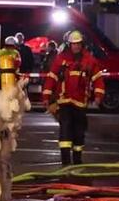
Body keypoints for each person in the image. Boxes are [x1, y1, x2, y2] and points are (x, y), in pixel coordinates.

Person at [41, 31, 105, 165]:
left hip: (81, 102)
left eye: (78, 44)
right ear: (68, 44)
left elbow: (98, 79)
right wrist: (46, 96)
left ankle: (77, 159)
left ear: (82, 44)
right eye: (73, 44)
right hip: (64, 101)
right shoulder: (61, 59)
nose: (76, 47)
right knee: (65, 130)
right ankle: (65, 160)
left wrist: (99, 96)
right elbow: (51, 78)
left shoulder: (89, 60)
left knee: (79, 132)